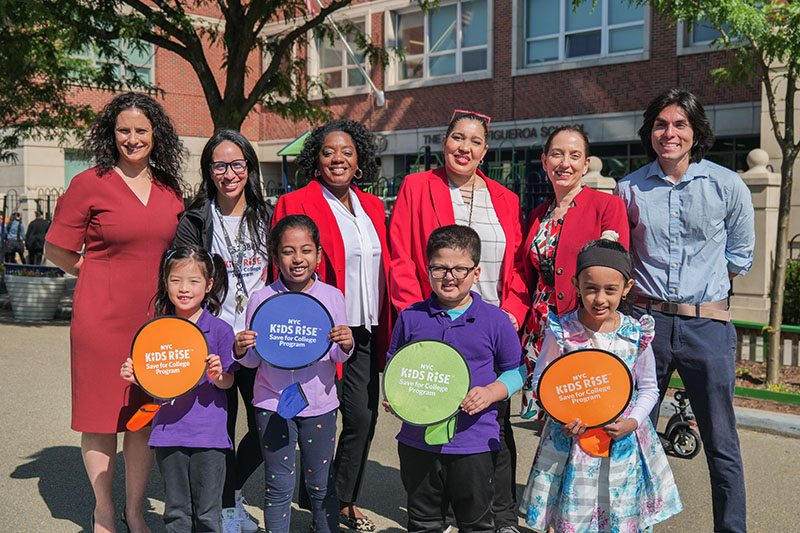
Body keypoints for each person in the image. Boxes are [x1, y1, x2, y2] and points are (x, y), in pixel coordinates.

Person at [615, 88, 755, 533]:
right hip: (644, 325)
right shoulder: (628, 188)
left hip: (707, 327)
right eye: (660, 124)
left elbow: (740, 255)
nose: (669, 133)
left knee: (721, 443)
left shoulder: (727, 184)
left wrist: (702, 295)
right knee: (633, 435)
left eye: (679, 124)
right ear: (649, 132)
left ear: (696, 132)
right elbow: (620, 256)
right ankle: (631, 524)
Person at [45, 92, 185, 533]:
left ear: (154, 135)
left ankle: (135, 510)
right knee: (102, 417)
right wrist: (95, 271)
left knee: (142, 416)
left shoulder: (169, 186)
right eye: (123, 130)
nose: (132, 138)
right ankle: (103, 509)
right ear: (112, 134)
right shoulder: (90, 182)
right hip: (100, 318)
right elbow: (56, 249)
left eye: (141, 130)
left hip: (154, 320)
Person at [389, 110, 528, 532]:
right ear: (444, 141)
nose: (464, 147)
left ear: (485, 150)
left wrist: (511, 315)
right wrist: (425, 320)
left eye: (475, 141)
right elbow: (401, 258)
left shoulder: (506, 198)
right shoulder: (417, 186)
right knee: (434, 413)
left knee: (492, 424)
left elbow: (518, 266)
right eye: (457, 138)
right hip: (434, 317)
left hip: (489, 324)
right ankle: (439, 509)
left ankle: (495, 515)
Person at [520, 235, 683, 532]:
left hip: (623, 440)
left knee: (620, 515)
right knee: (575, 515)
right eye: (591, 288)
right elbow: (542, 379)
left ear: (627, 288)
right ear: (576, 284)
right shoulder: (563, 331)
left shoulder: (636, 333)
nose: (600, 299)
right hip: (572, 441)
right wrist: (561, 416)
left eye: (610, 290)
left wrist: (633, 422)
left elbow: (649, 388)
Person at [273, 119, 390, 531]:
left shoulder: (373, 206)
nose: (337, 158)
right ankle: (244, 487)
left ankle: (338, 499)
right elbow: (283, 265)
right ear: (315, 160)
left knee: (362, 417)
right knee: (295, 411)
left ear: (359, 161)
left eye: (346, 152)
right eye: (328, 152)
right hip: (315, 326)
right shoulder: (295, 202)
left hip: (363, 328)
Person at [387, 224, 524, 532]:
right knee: (423, 521)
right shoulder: (411, 317)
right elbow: (395, 364)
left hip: (473, 443)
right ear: (428, 269)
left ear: (476, 273)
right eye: (439, 268)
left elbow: (517, 371)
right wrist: (394, 395)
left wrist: (491, 392)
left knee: (475, 522)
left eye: (459, 269)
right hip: (416, 441)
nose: (449, 277)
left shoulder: (496, 320)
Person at [173, 129, 272, 533]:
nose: (229, 173)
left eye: (237, 164)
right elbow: (179, 275)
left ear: (249, 167)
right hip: (214, 340)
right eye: (219, 165)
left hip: (262, 340)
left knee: (271, 425)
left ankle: (230, 491)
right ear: (209, 170)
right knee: (221, 429)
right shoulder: (195, 218)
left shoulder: (268, 215)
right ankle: (227, 506)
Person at [233, 215, 354, 533]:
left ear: (318, 252)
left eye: (305, 250)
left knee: (320, 486)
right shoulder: (261, 299)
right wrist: (241, 349)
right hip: (272, 405)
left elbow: (337, 356)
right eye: (288, 251)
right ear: (275, 257)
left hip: (320, 406)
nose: (298, 258)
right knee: (278, 487)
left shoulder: (332, 297)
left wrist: (347, 343)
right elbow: (253, 362)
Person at [120, 246, 236, 533]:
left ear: (209, 285)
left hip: (209, 436)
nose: (184, 288)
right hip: (168, 432)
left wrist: (218, 374)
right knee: (175, 512)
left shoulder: (221, 330)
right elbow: (155, 380)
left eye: (194, 281)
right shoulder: (156, 330)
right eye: (176, 280)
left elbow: (229, 382)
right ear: (165, 282)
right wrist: (136, 377)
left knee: (208, 513)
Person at [520, 126, 629, 420]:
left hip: (583, 329)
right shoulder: (538, 214)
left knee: (581, 416)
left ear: (586, 163)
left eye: (574, 156)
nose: (564, 163)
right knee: (546, 424)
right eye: (556, 154)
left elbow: (613, 276)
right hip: (539, 330)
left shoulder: (606, 207)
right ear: (545, 162)